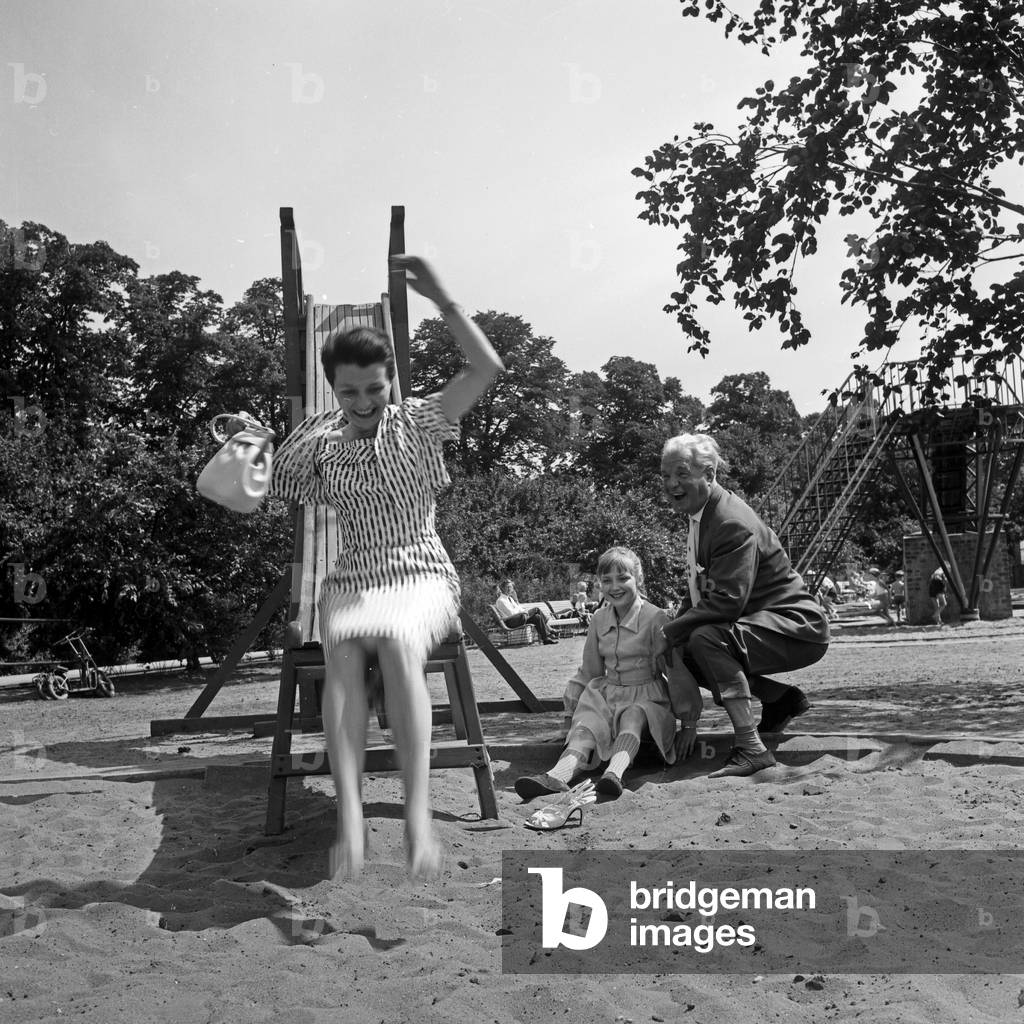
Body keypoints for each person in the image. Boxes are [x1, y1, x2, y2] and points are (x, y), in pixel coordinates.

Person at [228, 255, 503, 881]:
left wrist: (440, 295)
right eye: (349, 392)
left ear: (391, 379)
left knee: (399, 641)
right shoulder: (319, 442)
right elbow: (251, 494)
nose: (363, 402)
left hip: (422, 572)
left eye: (374, 388)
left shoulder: (417, 423)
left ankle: (416, 819)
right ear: (333, 388)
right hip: (354, 575)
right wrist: (249, 442)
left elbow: (487, 367)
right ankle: (350, 814)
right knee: (345, 651)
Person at [658, 433, 830, 778]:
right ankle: (780, 700)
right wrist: (670, 632)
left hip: (796, 626)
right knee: (685, 649)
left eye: (681, 473)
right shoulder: (703, 515)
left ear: (709, 475)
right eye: (665, 476)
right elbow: (700, 590)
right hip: (769, 621)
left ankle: (751, 747)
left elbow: (726, 602)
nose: (671, 484)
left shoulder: (728, 521)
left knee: (705, 638)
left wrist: (668, 631)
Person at [514, 546, 702, 801]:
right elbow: (588, 671)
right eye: (607, 580)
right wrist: (569, 721)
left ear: (638, 579)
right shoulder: (599, 619)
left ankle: (614, 774)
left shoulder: (655, 618)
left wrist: (689, 724)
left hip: (648, 698)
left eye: (623, 578)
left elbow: (675, 670)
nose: (615, 587)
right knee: (587, 725)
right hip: (609, 693)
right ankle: (556, 776)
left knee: (633, 715)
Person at [494, 581, 559, 644]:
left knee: (537, 617)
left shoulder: (510, 598)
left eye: (511, 587)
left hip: (518, 618)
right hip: (511, 621)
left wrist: (518, 602)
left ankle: (545, 639)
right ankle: (550, 630)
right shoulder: (501, 600)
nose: (509, 589)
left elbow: (519, 608)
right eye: (507, 587)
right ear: (502, 588)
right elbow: (511, 613)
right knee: (536, 609)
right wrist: (524, 612)